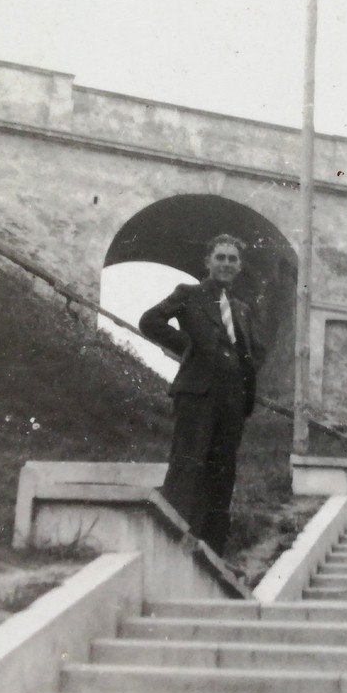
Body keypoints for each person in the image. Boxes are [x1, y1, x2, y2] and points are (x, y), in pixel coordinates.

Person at [139, 234, 266, 556]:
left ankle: (213, 553)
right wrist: (189, 347)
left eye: (232, 259)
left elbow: (256, 350)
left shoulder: (242, 309)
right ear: (208, 261)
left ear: (240, 266)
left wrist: (243, 371)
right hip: (198, 392)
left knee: (223, 471)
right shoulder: (189, 294)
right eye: (220, 257)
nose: (226, 264)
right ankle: (171, 542)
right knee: (188, 462)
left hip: (233, 400)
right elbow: (150, 321)